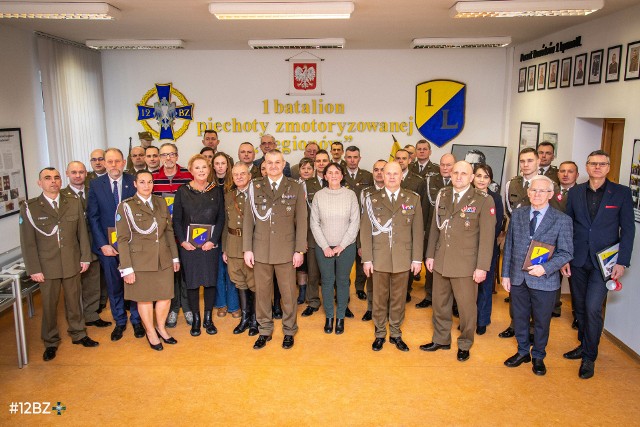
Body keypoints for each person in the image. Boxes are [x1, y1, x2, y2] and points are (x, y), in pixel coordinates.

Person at [561, 150, 635, 379]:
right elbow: (567, 226)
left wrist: (622, 261)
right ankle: (584, 344)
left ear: (608, 167)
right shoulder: (575, 193)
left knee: (593, 308)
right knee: (580, 308)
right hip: (578, 259)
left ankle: (589, 357)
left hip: (605, 263)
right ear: (586, 166)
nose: (597, 167)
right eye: (593, 163)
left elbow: (628, 230)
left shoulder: (621, 193)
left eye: (602, 164)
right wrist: (564, 257)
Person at [20, 167, 98, 361]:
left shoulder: (72, 202)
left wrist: (85, 257)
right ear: (40, 183)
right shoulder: (31, 207)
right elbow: (28, 242)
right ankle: (50, 341)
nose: (53, 181)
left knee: (74, 301)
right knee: (48, 305)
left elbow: (82, 233)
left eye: (56, 178)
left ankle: (79, 333)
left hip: (71, 261)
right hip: (47, 266)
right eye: (47, 178)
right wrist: (34, 269)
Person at [422, 161, 495, 362]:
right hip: (441, 261)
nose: (459, 176)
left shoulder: (483, 200)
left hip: (466, 265)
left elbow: (487, 239)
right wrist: (429, 255)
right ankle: (441, 339)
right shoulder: (443, 195)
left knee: (466, 308)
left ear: (472, 177)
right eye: (455, 173)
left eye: (464, 173)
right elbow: (435, 227)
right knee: (439, 304)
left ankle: (465, 343)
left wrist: (482, 267)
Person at [502, 175, 573, 375]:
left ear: (551, 194)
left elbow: (567, 252)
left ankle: (539, 356)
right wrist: (505, 274)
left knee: (542, 321)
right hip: (518, 277)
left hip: (545, 280)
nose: (537, 194)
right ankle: (523, 351)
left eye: (542, 191)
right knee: (520, 317)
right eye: (533, 190)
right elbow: (509, 246)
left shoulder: (562, 220)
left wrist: (546, 268)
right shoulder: (518, 215)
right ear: (528, 192)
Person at [243, 149, 307, 350]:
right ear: (264, 165)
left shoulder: (295, 187)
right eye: (269, 162)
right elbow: (248, 220)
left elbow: (302, 221)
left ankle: (289, 330)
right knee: (262, 294)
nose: (273, 166)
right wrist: (247, 249)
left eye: (277, 162)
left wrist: (299, 250)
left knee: (288, 294)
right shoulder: (255, 186)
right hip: (260, 249)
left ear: (283, 164)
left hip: (286, 251)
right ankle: (264, 330)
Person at [500, 147, 563, 338]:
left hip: (542, 248)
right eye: (522, 161)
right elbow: (509, 211)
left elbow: (558, 214)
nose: (525, 164)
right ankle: (515, 325)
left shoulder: (550, 185)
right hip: (519, 241)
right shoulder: (512, 184)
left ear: (538, 162)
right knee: (517, 291)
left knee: (539, 293)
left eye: (529, 160)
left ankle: (535, 329)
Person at [360, 161, 422, 351]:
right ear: (382, 176)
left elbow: (418, 231)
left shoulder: (413, 198)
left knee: (398, 298)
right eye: (388, 174)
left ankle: (395, 332)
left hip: (403, 258)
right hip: (379, 258)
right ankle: (379, 333)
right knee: (379, 298)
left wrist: (417, 258)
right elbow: (365, 231)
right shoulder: (371, 199)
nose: (392, 177)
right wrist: (367, 259)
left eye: (396, 173)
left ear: (402, 176)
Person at [116, 171, 181, 351]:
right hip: (140, 261)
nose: (147, 185)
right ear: (135, 184)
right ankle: (150, 331)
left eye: (150, 182)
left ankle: (161, 327)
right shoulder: (126, 206)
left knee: (165, 296)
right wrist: (126, 268)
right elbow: (122, 239)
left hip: (163, 258)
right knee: (144, 299)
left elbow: (168, 232)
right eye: (142, 182)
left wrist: (175, 256)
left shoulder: (161, 202)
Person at [87, 148, 145, 341]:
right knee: (114, 285)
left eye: (117, 161)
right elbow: (93, 218)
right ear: (104, 163)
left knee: (135, 283)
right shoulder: (96, 185)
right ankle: (120, 321)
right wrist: (102, 244)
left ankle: (137, 320)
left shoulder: (133, 181)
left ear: (123, 163)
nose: (113, 165)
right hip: (108, 247)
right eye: (109, 161)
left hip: (133, 245)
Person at [172, 155, 225, 336]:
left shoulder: (217, 191)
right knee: (192, 283)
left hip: (210, 246)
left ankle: (208, 319)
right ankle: (196, 319)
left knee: (210, 282)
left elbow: (221, 218)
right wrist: (183, 241)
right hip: (189, 247)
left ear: (209, 170)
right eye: (197, 167)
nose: (201, 170)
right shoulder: (182, 191)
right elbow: (176, 220)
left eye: (204, 167)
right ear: (191, 170)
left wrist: (213, 240)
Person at [310, 162, 360, 334]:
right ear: (325, 176)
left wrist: (342, 245)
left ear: (342, 175)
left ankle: (340, 317)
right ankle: (329, 316)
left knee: (343, 281)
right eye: (329, 173)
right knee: (327, 281)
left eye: (336, 172)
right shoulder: (318, 195)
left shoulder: (351, 195)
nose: (333, 175)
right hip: (324, 247)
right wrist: (325, 246)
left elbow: (355, 223)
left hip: (346, 247)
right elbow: (314, 223)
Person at [62, 161, 111, 328]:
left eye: (81, 172)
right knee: (73, 287)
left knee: (92, 281)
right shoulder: (61, 196)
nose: (78, 175)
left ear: (86, 174)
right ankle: (75, 321)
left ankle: (91, 314)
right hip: (71, 247)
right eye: (74, 172)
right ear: (67, 174)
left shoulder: (93, 190)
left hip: (93, 242)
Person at [152, 142, 194, 328]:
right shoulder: (152, 179)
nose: (168, 158)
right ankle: (173, 309)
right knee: (169, 275)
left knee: (185, 273)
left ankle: (187, 308)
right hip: (162, 237)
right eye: (164, 155)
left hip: (184, 235)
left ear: (177, 156)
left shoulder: (187, 175)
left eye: (171, 154)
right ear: (160, 158)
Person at [223, 163, 259, 336]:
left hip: (251, 245)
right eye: (235, 174)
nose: (238, 177)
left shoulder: (257, 194)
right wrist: (225, 248)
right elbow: (225, 224)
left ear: (249, 175)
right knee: (239, 281)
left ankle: (255, 319)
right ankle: (244, 317)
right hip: (233, 244)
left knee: (254, 283)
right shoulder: (229, 196)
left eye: (242, 174)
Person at [417, 153, 455, 309]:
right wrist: (424, 231)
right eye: (442, 164)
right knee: (430, 263)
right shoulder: (430, 181)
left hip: (452, 233)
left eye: (449, 165)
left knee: (451, 266)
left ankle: (451, 301)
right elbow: (425, 207)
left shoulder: (459, 182)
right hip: (433, 230)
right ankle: (429, 295)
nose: (445, 168)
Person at [472, 164, 504, 335]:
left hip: (487, 247)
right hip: (467, 248)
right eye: (478, 176)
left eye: (485, 177)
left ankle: (482, 320)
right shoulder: (466, 196)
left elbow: (497, 225)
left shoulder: (495, 198)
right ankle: (468, 319)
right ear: (473, 177)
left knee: (485, 285)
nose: (481, 180)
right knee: (468, 287)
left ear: (490, 180)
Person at [300, 150, 330, 318]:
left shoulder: (335, 181)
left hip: (332, 235)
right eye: (318, 161)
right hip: (312, 235)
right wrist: (303, 237)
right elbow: (303, 213)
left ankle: (335, 301)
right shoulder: (306, 184)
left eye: (324, 160)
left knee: (332, 272)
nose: (321, 163)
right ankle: (312, 301)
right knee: (313, 271)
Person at [394, 148, 426, 302]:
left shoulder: (418, 180)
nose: (401, 161)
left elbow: (423, 206)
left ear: (409, 160)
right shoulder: (390, 178)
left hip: (410, 225)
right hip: (393, 227)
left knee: (408, 261)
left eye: (404, 158)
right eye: (398, 158)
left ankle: (406, 290)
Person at [343, 146, 373, 301]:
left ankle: (360, 287)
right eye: (349, 157)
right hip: (344, 223)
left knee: (362, 255)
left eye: (355, 157)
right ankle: (344, 288)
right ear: (345, 158)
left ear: (360, 158)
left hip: (362, 221)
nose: (352, 160)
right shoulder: (339, 174)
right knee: (345, 259)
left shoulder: (367, 176)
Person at [212, 152, 240, 318]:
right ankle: (221, 304)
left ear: (228, 165)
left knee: (232, 268)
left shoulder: (234, 184)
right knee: (218, 270)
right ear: (213, 166)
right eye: (217, 163)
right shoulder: (209, 185)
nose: (220, 166)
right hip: (214, 231)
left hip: (231, 231)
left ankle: (234, 305)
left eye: (223, 163)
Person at [359, 159, 387, 321]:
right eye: (375, 169)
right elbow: (362, 221)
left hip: (389, 243)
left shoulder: (398, 192)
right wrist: (362, 244)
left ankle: (386, 309)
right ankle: (371, 308)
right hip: (371, 243)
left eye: (382, 169)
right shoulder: (366, 193)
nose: (378, 172)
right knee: (371, 278)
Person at [294, 157, 315, 304]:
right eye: (303, 168)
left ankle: (312, 293)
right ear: (299, 170)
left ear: (313, 171)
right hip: (297, 230)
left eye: (309, 168)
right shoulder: (293, 185)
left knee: (313, 265)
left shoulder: (318, 186)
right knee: (301, 265)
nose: (306, 171)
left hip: (314, 232)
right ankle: (301, 292)